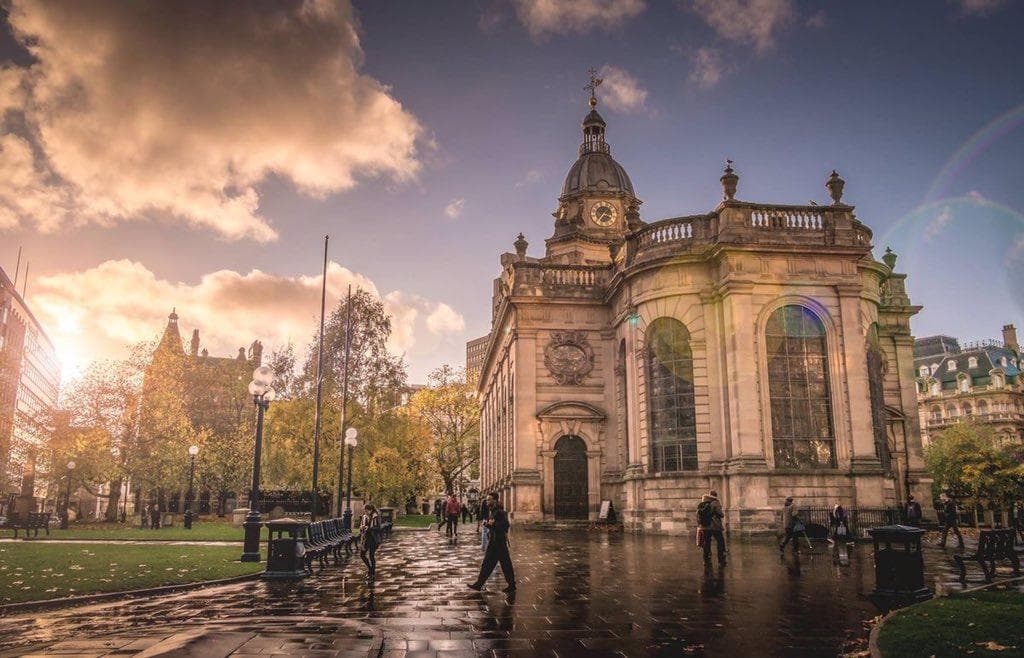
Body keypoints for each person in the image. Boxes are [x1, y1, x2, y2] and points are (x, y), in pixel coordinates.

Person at [468, 492, 515, 593]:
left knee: (500, 564)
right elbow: (493, 525)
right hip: (495, 541)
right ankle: (479, 584)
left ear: (495, 500)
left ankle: (480, 584)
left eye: (489, 499)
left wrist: (492, 524)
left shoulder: (499, 512)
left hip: (498, 542)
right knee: (491, 564)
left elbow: (506, 525)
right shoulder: (493, 511)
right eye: (487, 500)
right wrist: (488, 524)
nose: (487, 501)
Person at [697, 490, 726, 566]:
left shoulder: (703, 503)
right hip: (715, 526)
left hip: (705, 527)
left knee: (706, 543)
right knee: (720, 542)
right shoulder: (715, 502)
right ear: (715, 496)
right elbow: (721, 514)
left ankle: (706, 561)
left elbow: (698, 515)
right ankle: (721, 560)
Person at [359, 503, 382, 580]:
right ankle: (370, 568)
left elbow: (378, 528)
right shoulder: (364, 517)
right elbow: (361, 527)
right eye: (365, 511)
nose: (365, 512)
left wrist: (369, 528)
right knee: (362, 555)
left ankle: (372, 572)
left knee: (371, 556)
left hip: (373, 539)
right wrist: (362, 528)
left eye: (366, 510)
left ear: (371, 510)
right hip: (366, 538)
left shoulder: (375, 517)